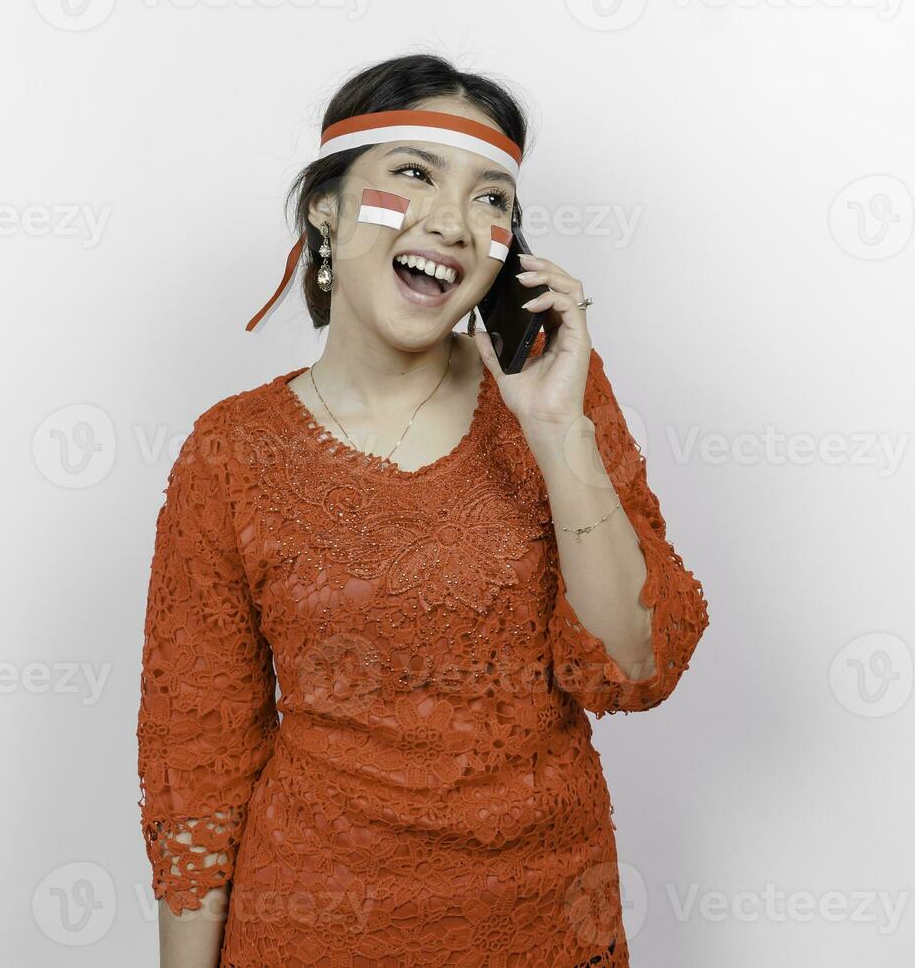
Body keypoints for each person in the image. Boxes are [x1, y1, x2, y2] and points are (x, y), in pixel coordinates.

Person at [138, 53, 710, 968]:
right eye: (413, 173)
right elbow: (197, 759)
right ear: (325, 206)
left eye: (494, 200)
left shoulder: (559, 398)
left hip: (541, 925)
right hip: (311, 930)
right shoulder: (231, 451)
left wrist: (558, 428)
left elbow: (633, 671)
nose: (453, 219)